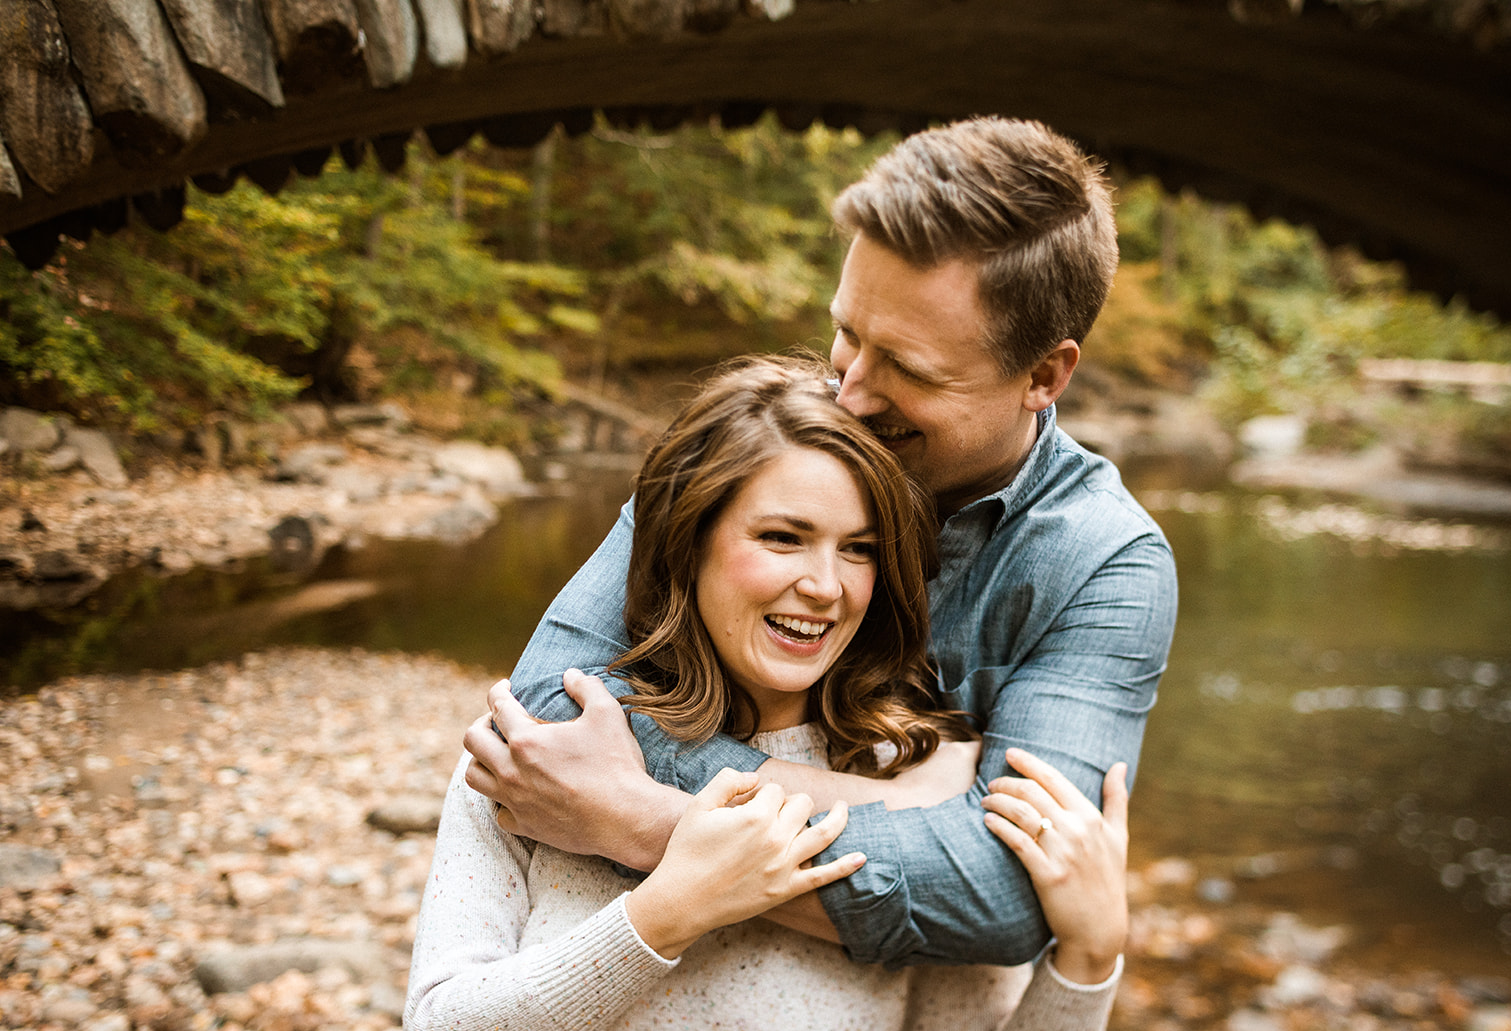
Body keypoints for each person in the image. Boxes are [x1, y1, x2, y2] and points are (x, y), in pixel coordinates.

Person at [464, 116, 1179, 969]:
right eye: (848, 333)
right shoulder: (767, 434)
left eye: (908, 368)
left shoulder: (1106, 563)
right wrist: (912, 801)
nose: (849, 391)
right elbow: (548, 710)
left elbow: (1006, 894)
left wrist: (642, 819)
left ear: (1043, 376)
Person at [406, 358, 1130, 1031]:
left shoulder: (924, 788)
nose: (824, 586)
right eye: (782, 537)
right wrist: (668, 911)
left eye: (859, 549)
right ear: (691, 543)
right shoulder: (553, 756)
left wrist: (1089, 960)